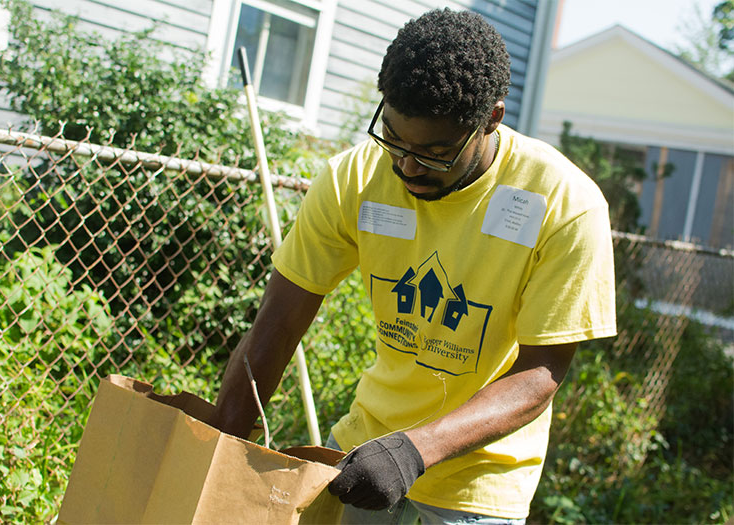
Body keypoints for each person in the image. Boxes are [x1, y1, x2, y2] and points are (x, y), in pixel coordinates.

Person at [210, 8, 616, 524]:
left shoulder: (563, 204)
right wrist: (220, 451)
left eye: (436, 151)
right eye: (395, 141)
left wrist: (412, 451)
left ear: (490, 119)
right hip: (364, 450)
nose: (408, 166)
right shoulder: (352, 179)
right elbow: (279, 323)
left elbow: (540, 374)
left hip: (478, 482)